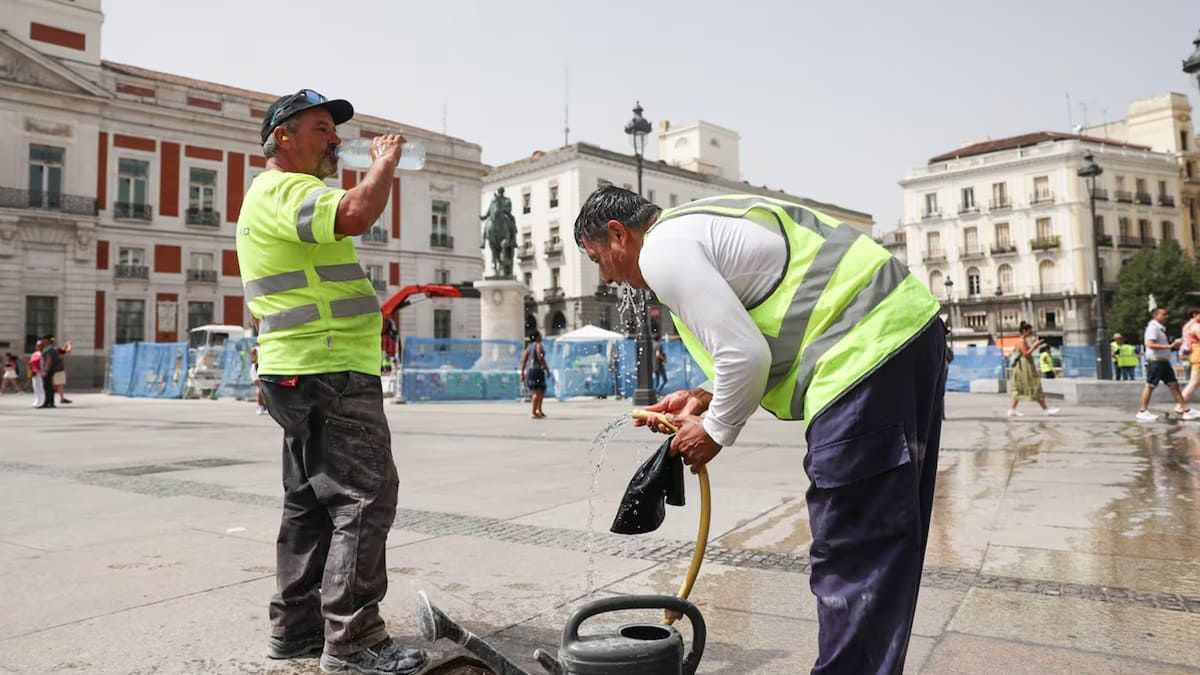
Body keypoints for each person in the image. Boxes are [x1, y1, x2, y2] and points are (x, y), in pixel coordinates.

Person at [576, 187, 946, 674]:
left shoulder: (663, 249)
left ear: (620, 235)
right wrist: (709, 394)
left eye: (599, 258)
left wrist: (713, 428)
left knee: (853, 546)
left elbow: (745, 356)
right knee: (883, 543)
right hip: (906, 332)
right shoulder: (697, 225)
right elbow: (772, 329)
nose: (605, 276)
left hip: (862, 353)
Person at [237, 88, 427, 674]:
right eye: (322, 128)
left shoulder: (267, 197)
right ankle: (354, 641)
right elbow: (355, 213)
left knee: (309, 504)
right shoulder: (287, 188)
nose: (335, 138)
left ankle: (295, 630)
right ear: (284, 137)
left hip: (297, 370)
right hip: (329, 367)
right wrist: (385, 163)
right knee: (365, 499)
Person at [1137, 307, 1200, 422]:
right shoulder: (1152, 328)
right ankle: (1143, 411)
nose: (1166, 316)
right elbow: (1150, 344)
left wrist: (1172, 346)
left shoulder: (1160, 329)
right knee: (1150, 385)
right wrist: (1170, 346)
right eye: (1164, 314)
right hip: (1156, 361)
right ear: (1156, 316)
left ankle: (1186, 410)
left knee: (1174, 385)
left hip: (1163, 361)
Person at [1007, 322, 1059, 417]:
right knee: (1035, 385)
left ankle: (1012, 410)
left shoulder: (1022, 340)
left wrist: (1035, 345)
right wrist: (1035, 345)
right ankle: (1045, 410)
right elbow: (1026, 354)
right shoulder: (1021, 341)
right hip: (1025, 367)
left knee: (1020, 388)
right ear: (1024, 331)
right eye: (1030, 332)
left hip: (1023, 367)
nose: (1031, 334)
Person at [520, 331, 549, 418]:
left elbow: (523, 360)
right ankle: (534, 411)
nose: (541, 336)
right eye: (540, 335)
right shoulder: (538, 345)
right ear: (536, 337)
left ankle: (538, 410)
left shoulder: (528, 347)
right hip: (537, 370)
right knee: (538, 391)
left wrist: (522, 373)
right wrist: (546, 368)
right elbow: (540, 357)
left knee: (540, 390)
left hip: (530, 371)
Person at [1182, 308, 1200, 403]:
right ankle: (1180, 406)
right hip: (1198, 356)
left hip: (1195, 355)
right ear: (1194, 314)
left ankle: (1180, 406)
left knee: (1195, 383)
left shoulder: (1187, 326)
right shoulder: (1196, 326)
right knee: (1193, 383)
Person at [28, 339, 45, 408]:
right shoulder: (34, 354)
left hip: (41, 372)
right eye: (37, 345)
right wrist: (30, 370)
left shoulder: (44, 353)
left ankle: (42, 401)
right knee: (35, 387)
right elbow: (31, 363)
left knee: (41, 387)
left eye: (40, 345)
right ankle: (37, 400)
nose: (38, 346)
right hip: (34, 372)